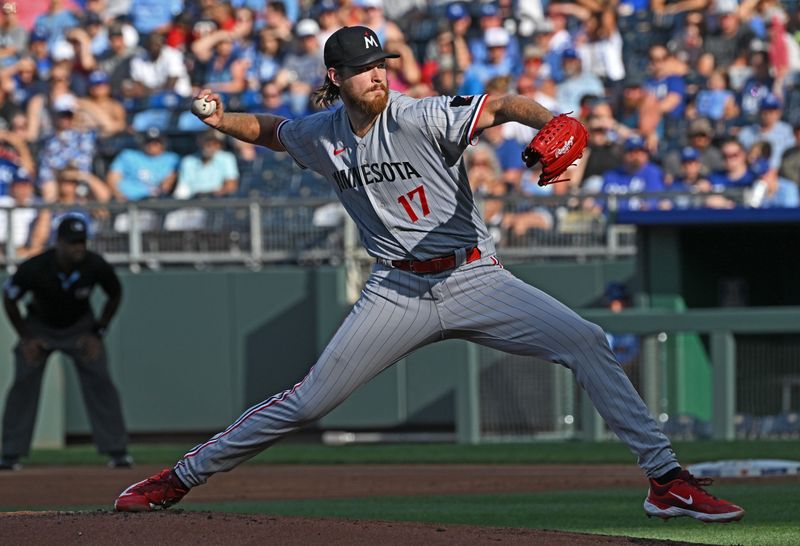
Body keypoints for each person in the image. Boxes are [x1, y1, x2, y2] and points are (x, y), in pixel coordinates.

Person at [114, 26, 744, 523]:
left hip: (476, 277)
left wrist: (550, 119)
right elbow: (277, 131)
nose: (377, 75)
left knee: (587, 342)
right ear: (336, 77)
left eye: (382, 63)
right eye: (363, 68)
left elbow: (502, 105)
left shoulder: (418, 116)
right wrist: (222, 121)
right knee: (307, 402)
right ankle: (179, 478)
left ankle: (666, 482)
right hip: (397, 290)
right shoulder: (323, 133)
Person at [0, 215, 131, 471]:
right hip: (40, 327)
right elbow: (9, 297)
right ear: (58, 242)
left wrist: (98, 332)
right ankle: (10, 454)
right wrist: (26, 336)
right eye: (72, 243)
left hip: (80, 327)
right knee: (24, 383)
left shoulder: (94, 265)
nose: (78, 248)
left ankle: (118, 452)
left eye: (82, 242)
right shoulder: (37, 266)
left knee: (100, 381)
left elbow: (115, 293)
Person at [107, 127, 180, 201]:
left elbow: (168, 183)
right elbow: (113, 178)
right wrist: (118, 195)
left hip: (155, 201)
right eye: (149, 142)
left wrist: (164, 187)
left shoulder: (172, 159)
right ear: (143, 143)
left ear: (163, 143)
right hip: (128, 200)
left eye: (156, 142)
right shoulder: (128, 156)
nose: (152, 145)